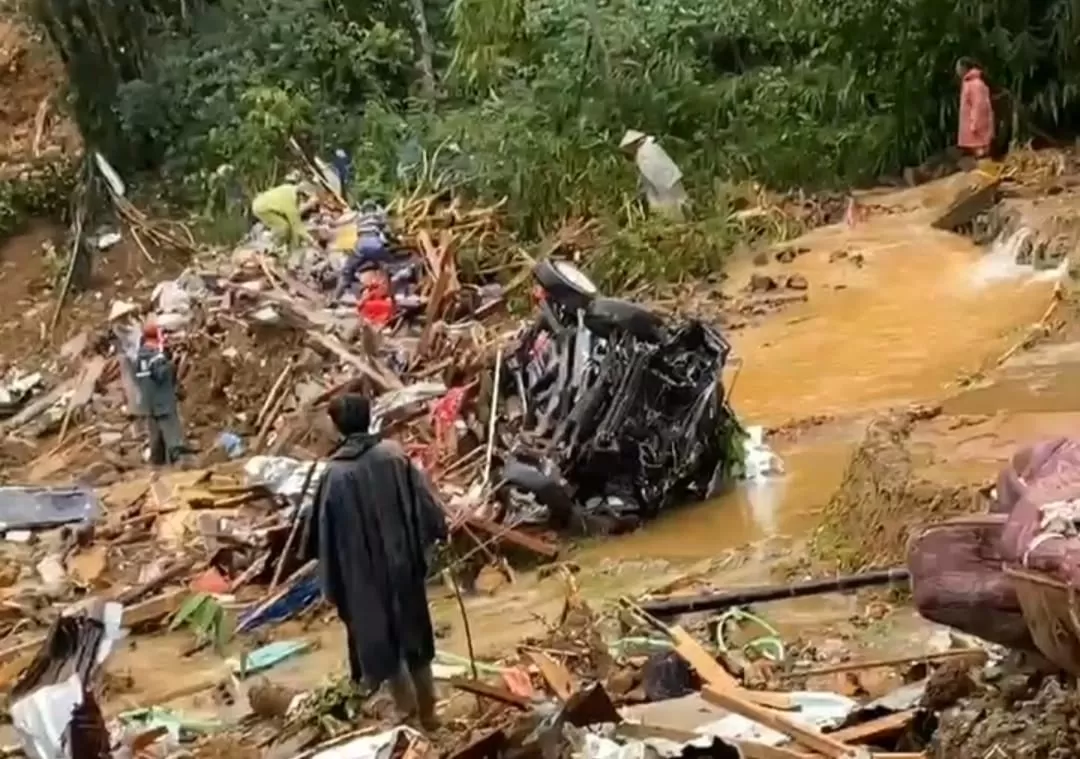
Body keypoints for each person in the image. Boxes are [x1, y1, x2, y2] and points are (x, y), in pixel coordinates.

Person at [309, 394, 447, 729]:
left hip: (363, 578)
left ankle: (410, 717)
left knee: (382, 645)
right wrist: (435, 538)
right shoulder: (393, 455)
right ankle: (430, 713)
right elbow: (427, 504)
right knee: (414, 636)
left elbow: (322, 537)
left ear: (338, 425)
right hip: (403, 566)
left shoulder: (335, 475)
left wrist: (333, 585)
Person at [134, 323, 188, 466]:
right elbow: (161, 374)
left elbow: (139, 378)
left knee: (155, 435)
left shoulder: (140, 357)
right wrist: (172, 363)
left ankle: (157, 463)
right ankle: (178, 459)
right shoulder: (155, 356)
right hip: (162, 401)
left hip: (148, 402)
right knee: (171, 431)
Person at [619, 129, 688, 219]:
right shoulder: (651, 146)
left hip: (663, 183)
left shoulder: (643, 153)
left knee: (671, 205)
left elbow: (651, 173)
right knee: (680, 200)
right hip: (671, 177)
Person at [334, 200, 394, 300]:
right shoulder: (379, 217)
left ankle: (335, 298)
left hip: (361, 246)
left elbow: (347, 226)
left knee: (347, 271)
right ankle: (391, 295)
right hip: (376, 246)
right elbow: (388, 233)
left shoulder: (359, 217)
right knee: (391, 267)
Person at [251, 173, 319, 248]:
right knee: (283, 227)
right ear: (301, 195)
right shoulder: (289, 204)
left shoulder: (291, 189)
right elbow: (297, 226)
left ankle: (288, 243)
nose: (305, 201)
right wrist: (312, 241)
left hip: (264, 202)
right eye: (306, 199)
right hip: (261, 208)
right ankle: (275, 246)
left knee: (287, 224)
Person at [957, 58, 994, 159]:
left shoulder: (975, 84)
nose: (957, 71)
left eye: (958, 67)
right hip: (973, 129)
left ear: (964, 68)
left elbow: (979, 106)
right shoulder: (969, 83)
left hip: (977, 130)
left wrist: (975, 124)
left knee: (982, 156)